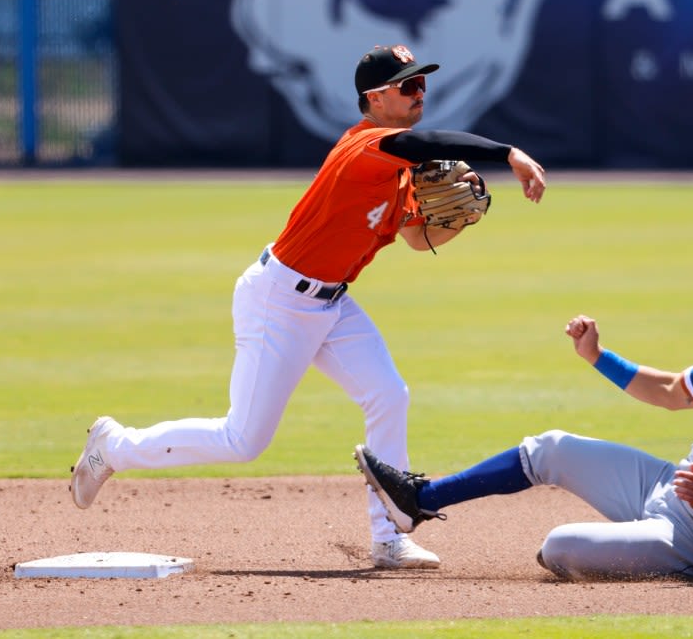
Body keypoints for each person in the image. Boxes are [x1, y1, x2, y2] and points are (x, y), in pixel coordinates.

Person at [70, 43, 547, 570]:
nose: (419, 95)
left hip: (332, 303)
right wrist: (508, 153)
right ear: (375, 98)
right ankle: (114, 446)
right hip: (279, 300)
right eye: (408, 86)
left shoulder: (399, 175)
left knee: (389, 395)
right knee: (243, 439)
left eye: (422, 85)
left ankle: (388, 536)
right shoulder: (366, 149)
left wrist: (457, 219)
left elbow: (417, 237)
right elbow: (426, 141)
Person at [355, 282, 693, 579]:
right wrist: (598, 357)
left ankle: (649, 547)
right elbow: (668, 390)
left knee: (559, 546)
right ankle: (419, 501)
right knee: (552, 449)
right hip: (667, 487)